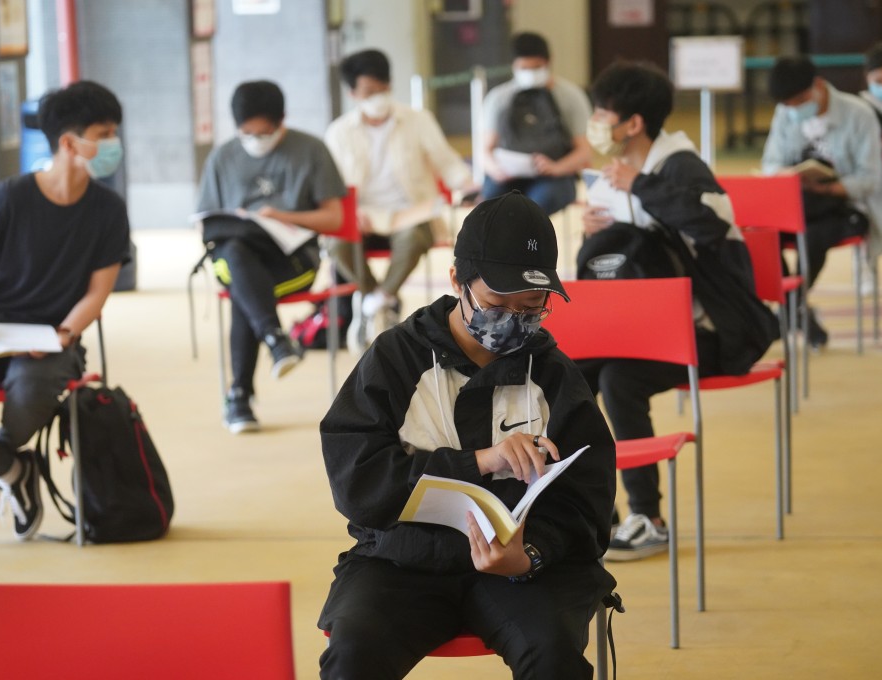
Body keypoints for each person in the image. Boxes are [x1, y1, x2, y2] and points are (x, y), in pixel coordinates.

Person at [318, 191, 616, 680]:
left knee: (554, 652)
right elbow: (357, 479)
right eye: (498, 303)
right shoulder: (395, 359)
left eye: (532, 307)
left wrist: (529, 556)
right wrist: (482, 461)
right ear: (457, 280)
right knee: (354, 652)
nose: (514, 322)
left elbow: (589, 502)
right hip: (402, 562)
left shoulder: (554, 375)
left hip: (520, 572)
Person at [0, 81, 131, 541]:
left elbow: (98, 291)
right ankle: (15, 471)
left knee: (28, 396)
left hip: (54, 335)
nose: (113, 143)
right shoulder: (9, 198)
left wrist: (64, 333)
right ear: (69, 142)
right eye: (105, 132)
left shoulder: (108, 211)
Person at [578, 61, 758, 561]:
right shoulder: (611, 176)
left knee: (619, 380)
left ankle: (648, 518)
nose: (593, 123)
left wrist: (641, 185)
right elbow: (602, 269)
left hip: (715, 331)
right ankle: (590, 508)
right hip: (640, 329)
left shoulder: (680, 166)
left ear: (631, 124)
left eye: (601, 113)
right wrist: (591, 234)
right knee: (568, 373)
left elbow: (713, 225)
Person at [196, 80, 346, 433]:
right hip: (236, 256)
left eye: (265, 133)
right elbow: (206, 223)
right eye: (248, 133)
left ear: (282, 121)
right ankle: (274, 341)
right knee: (235, 254)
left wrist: (283, 217)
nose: (256, 140)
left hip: (293, 261)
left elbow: (335, 218)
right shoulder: (223, 157)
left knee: (243, 288)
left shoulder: (311, 150)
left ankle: (240, 395)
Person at [325, 48, 475, 350]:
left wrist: (469, 186)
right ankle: (377, 297)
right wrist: (349, 212)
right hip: (364, 214)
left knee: (415, 237)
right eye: (369, 91)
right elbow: (331, 186)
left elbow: (445, 161)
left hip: (411, 211)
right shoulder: (339, 132)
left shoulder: (418, 120)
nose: (378, 97)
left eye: (383, 89)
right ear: (353, 93)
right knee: (335, 243)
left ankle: (374, 302)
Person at [762, 55, 882, 348]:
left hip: (846, 207)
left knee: (812, 237)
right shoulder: (785, 113)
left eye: (799, 101)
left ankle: (787, 311)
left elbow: (871, 179)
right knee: (762, 233)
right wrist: (785, 174)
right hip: (797, 203)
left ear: (818, 85)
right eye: (788, 105)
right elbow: (770, 162)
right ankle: (795, 310)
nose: (794, 110)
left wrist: (827, 188)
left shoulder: (858, 114)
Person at [481, 32, 592, 216]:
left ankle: (525, 244)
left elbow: (585, 151)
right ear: (514, 66)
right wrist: (496, 170)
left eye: (537, 67)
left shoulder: (571, 97)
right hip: (508, 175)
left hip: (555, 175)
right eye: (524, 68)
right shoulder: (499, 98)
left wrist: (556, 168)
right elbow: (485, 150)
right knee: (492, 205)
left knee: (534, 208)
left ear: (549, 62)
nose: (530, 73)